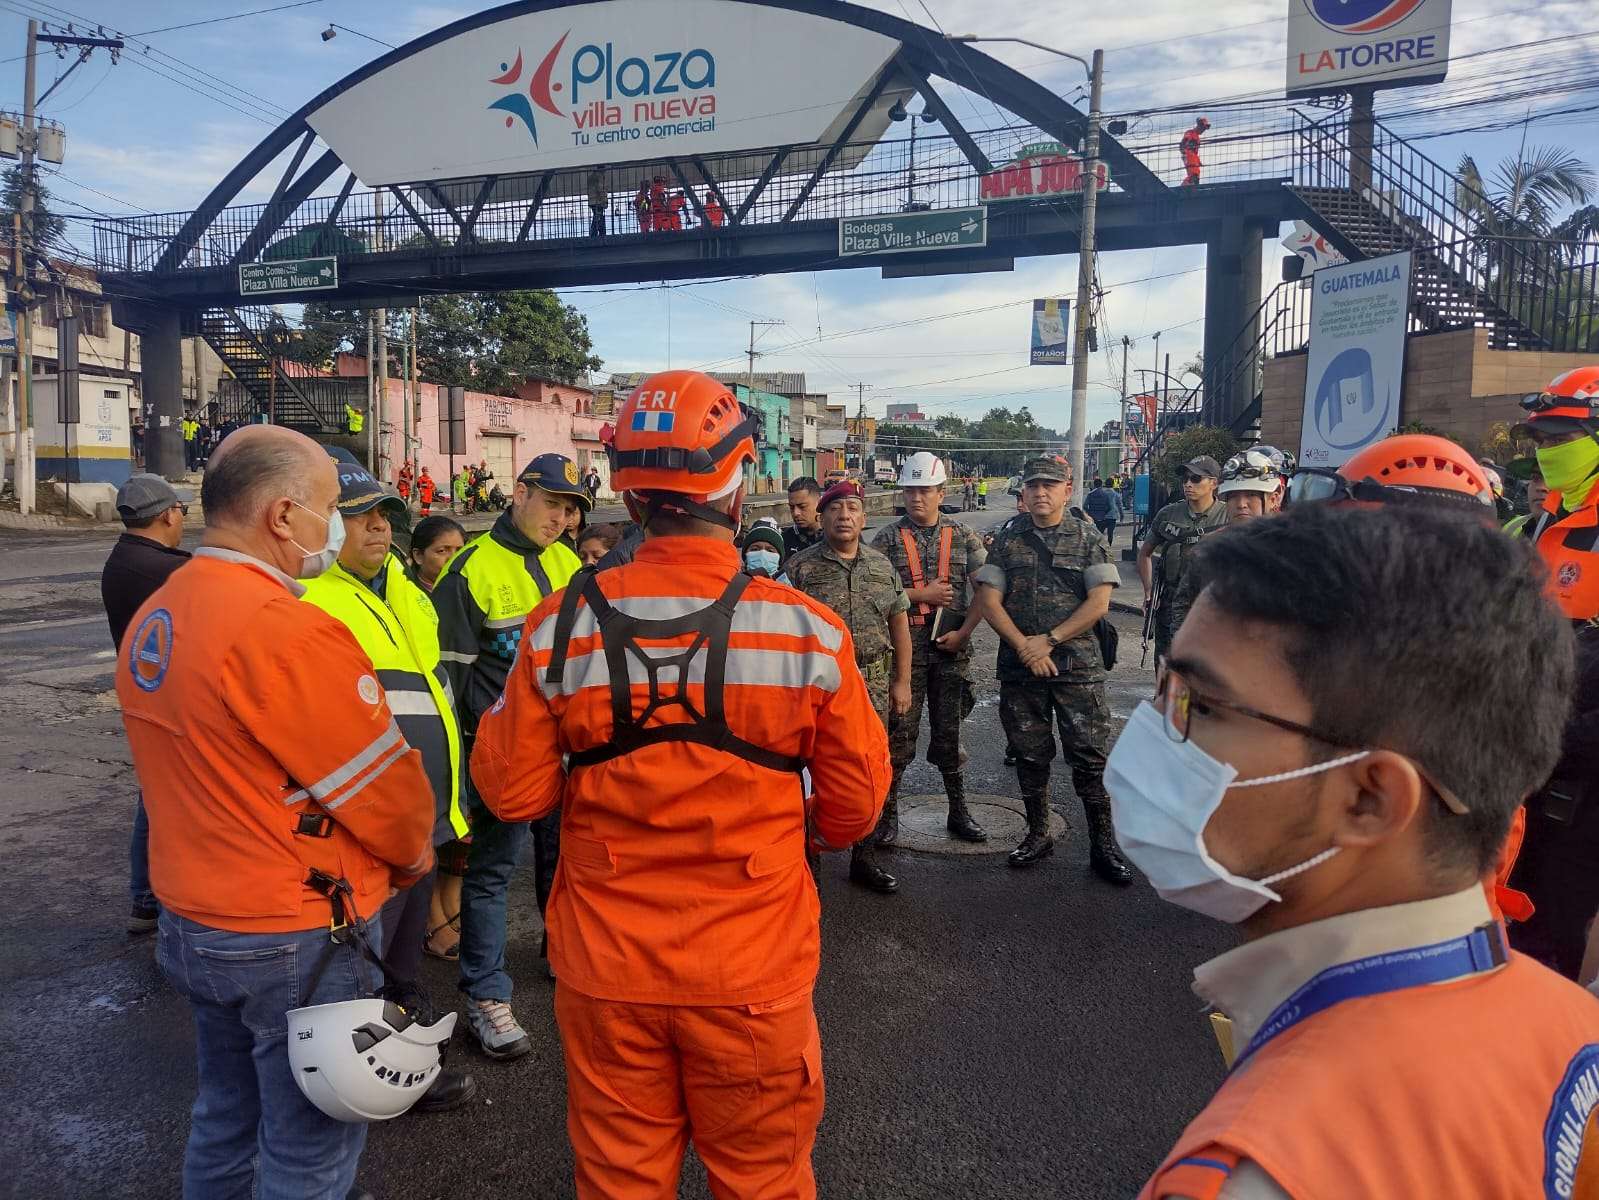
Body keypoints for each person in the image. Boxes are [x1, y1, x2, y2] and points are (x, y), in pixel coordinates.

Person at [470, 370, 889, 1200]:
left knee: (622, 1180)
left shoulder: (559, 624)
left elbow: (512, 795)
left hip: (605, 965)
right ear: (736, 487)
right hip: (751, 970)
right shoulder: (806, 630)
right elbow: (850, 814)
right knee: (762, 1180)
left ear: (624, 492)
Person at [1118, 502, 1599, 1200]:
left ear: (1369, 799)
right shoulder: (1564, 1018)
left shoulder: (1256, 1175)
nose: (1156, 729)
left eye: (1202, 705)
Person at [116, 424, 435, 1199]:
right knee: (308, 1151)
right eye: (330, 507)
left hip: (195, 920)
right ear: (284, 515)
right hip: (292, 931)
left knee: (224, 1118)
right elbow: (388, 797)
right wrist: (417, 856)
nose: (335, 526)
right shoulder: (284, 632)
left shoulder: (162, 612)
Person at [299, 453, 476, 1114]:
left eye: (384, 517)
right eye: (358, 518)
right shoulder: (311, 600)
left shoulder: (405, 589)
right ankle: (367, 1076)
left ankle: (405, 1060)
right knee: (361, 959)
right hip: (369, 825)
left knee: (402, 956)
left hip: (421, 811)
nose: (377, 529)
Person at [432, 452, 586, 1058]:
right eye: (553, 503)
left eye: (571, 509)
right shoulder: (471, 570)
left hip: (568, 747)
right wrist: (473, 758)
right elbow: (449, 679)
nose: (561, 519)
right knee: (493, 872)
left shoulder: (568, 562)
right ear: (520, 493)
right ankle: (486, 996)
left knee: (568, 860)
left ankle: (563, 954)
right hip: (505, 753)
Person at [975, 456, 1132, 880]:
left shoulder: (1088, 537)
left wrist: (1048, 640)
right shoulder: (1008, 540)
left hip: (1077, 666)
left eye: (1050, 484)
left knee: (1089, 758)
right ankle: (1038, 833)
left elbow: (1099, 603)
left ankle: (1102, 847)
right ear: (1023, 493)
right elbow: (990, 600)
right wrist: (1024, 646)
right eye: (1033, 485)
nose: (1041, 492)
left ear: (1067, 489)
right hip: (1021, 666)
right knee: (1029, 754)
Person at [1497, 369, 1599, 980]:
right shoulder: (1537, 525)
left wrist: (1562, 739)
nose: (1547, 452)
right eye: (1540, 440)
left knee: (1565, 920)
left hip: (1581, 763)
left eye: (1563, 436)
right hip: (1525, 751)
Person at [789, 477, 913, 893]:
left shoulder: (881, 566)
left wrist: (903, 683)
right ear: (822, 517)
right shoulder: (800, 568)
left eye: (853, 509)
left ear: (864, 517)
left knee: (869, 769)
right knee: (810, 771)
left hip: (874, 686)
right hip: (819, 687)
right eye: (836, 509)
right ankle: (810, 861)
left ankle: (865, 857)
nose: (845, 516)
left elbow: (900, 625)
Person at [871, 451, 989, 843]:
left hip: (950, 652)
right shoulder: (886, 539)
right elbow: (872, 594)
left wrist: (966, 632)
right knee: (897, 737)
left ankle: (959, 811)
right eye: (910, 490)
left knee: (950, 736)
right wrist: (920, 592)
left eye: (924, 490)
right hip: (903, 656)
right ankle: (887, 818)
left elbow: (986, 590)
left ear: (941, 492)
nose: (916, 498)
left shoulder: (964, 534)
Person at [101, 474, 192, 934]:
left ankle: (146, 899)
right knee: (164, 802)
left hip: (145, 691)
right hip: (169, 699)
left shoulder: (123, 559)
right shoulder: (165, 569)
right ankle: (152, 898)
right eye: (182, 512)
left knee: (152, 798)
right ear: (166, 515)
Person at [1139, 455, 1228, 664]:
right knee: (1167, 662)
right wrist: (1149, 591)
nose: (1188, 483)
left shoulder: (1228, 515)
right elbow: (1145, 553)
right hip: (1170, 601)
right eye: (1185, 478)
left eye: (1196, 479)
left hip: (1211, 603)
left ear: (1213, 483)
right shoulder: (1168, 514)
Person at [1216, 449, 1285, 525]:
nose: (1241, 504)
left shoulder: (1293, 535)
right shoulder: (1215, 536)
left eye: (1251, 495)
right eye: (1233, 496)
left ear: (1273, 500)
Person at [409, 515, 466, 593]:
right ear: (418, 555)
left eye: (459, 551)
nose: (453, 559)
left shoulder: (470, 592)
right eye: (442, 551)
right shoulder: (406, 594)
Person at [1503, 455, 1548, 537]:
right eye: (1535, 478)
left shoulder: (1577, 538)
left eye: (1551, 480)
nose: (1541, 487)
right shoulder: (1512, 528)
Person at [784, 475, 824, 562]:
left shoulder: (835, 536)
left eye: (802, 507)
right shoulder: (785, 539)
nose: (795, 513)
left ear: (820, 503)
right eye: (791, 507)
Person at [1083, 475, 1123, 543]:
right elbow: (1119, 505)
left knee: (1100, 533)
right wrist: (1121, 515)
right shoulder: (1116, 494)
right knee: (1110, 533)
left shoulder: (1101, 493)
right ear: (1113, 484)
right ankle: (1109, 546)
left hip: (1102, 516)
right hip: (1112, 515)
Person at [1180, 115, 1210, 188]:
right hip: (1189, 155)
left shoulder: (1197, 136)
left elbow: (1195, 151)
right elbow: (1183, 144)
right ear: (1199, 126)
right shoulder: (1190, 133)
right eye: (1203, 128)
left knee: (1196, 175)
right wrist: (1184, 154)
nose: (1203, 130)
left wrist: (1198, 161)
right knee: (1194, 175)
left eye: (1205, 128)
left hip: (1193, 157)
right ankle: (1184, 188)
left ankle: (1190, 187)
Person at [585, 169, 607, 239]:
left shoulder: (590, 177)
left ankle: (594, 233)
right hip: (598, 201)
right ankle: (598, 233)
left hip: (592, 200)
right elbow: (600, 189)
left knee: (596, 216)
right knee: (598, 217)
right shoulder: (599, 177)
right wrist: (604, 200)